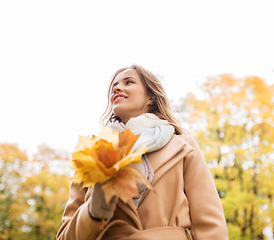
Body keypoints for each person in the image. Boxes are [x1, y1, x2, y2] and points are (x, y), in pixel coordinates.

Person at [56, 65, 229, 240]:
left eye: (128, 82)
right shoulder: (92, 155)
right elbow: (64, 237)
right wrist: (93, 211)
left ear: (151, 97)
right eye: (114, 85)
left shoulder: (183, 145)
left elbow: (210, 225)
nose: (116, 88)